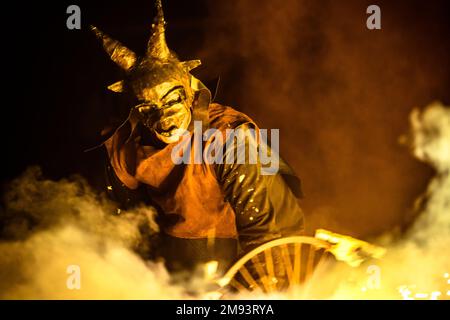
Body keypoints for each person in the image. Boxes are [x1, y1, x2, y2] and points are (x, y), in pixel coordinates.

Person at [92, 0, 305, 274]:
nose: (164, 119)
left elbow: (269, 235)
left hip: (245, 256)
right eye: (149, 107)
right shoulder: (124, 147)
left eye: (171, 102)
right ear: (135, 108)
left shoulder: (229, 139)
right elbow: (122, 223)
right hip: (173, 265)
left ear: (191, 93)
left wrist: (256, 292)